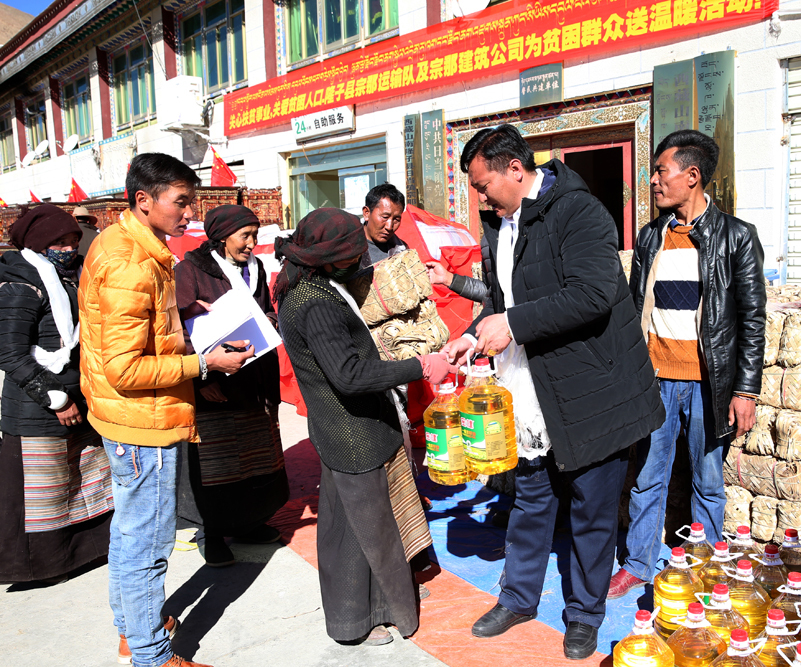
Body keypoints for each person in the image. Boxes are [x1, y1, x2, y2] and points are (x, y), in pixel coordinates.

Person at [441, 124, 664, 660]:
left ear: (515, 170)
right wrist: (473, 334)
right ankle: (517, 598)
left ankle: (584, 615)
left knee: (591, 509)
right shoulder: (502, 224)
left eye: (483, 185)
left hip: (592, 388)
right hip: (532, 389)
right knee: (530, 498)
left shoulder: (578, 212)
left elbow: (594, 293)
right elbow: (501, 298)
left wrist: (513, 325)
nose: (480, 198)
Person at [79, 153, 252, 667]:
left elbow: (134, 330)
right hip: (143, 423)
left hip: (129, 417)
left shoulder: (127, 244)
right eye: (181, 202)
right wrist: (204, 364)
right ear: (144, 200)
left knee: (130, 534)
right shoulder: (130, 263)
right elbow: (125, 368)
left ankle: (134, 629)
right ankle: (151, 654)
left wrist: (178, 314)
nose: (189, 213)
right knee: (147, 545)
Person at [274, 208, 455, 646]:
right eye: (352, 252)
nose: (359, 259)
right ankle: (358, 619)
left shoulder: (314, 285)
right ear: (329, 255)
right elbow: (349, 375)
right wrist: (418, 365)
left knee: (367, 524)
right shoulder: (314, 302)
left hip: (352, 425)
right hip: (349, 430)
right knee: (360, 533)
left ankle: (384, 603)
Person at [608, 129, 766, 600]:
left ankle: (706, 566)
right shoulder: (651, 236)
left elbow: (752, 317)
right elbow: (636, 308)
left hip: (707, 384)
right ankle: (637, 564)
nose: (653, 181)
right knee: (647, 478)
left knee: (708, 481)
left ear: (692, 176)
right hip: (655, 380)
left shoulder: (736, 237)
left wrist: (745, 390)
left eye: (661, 171)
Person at [0, 205, 113, 584]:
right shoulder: (20, 284)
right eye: (58, 242)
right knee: (44, 493)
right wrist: (56, 399)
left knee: (81, 480)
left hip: (78, 395)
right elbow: (9, 353)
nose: (68, 249)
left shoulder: (73, 277)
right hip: (37, 407)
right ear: (37, 243)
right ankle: (44, 567)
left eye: (72, 241)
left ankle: (83, 553)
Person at [174, 205, 288, 567]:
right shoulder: (191, 270)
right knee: (217, 465)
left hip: (254, 379)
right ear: (222, 237)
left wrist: (269, 320)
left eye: (255, 235)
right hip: (215, 384)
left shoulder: (256, 268)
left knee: (255, 460)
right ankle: (211, 534)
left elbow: (265, 308)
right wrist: (200, 379)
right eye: (245, 236)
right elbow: (178, 330)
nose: (252, 243)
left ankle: (249, 524)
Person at [359, 182, 407, 269]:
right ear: (366, 213)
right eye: (385, 217)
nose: (389, 227)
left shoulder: (403, 251)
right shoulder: (346, 246)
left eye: (396, 219)